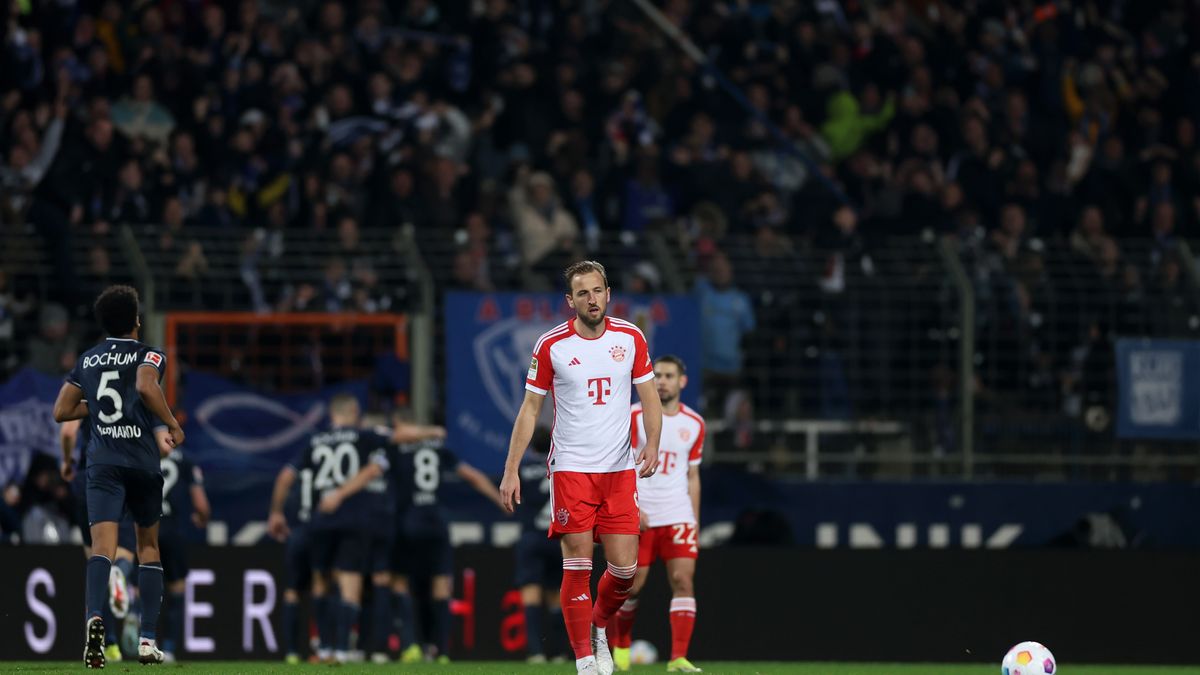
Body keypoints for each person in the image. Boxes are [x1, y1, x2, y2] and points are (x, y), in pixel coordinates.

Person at [499, 260, 663, 675]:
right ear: (570, 301)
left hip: (620, 469)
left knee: (625, 571)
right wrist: (511, 468)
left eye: (598, 290)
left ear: (609, 294)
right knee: (577, 565)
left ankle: (598, 626)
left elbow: (649, 397)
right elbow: (530, 408)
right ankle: (585, 661)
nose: (592, 299)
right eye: (583, 293)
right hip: (572, 469)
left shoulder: (631, 337)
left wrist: (653, 443)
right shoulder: (551, 345)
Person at [52, 284, 185, 668]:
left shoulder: (88, 359)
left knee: (101, 550)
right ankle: (146, 640)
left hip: (103, 463)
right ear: (136, 321)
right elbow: (145, 385)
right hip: (141, 462)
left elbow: (61, 412)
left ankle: (95, 618)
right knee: (147, 548)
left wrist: (94, 405)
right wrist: (171, 422)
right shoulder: (149, 354)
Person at [338, 413, 503, 664]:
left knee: (398, 582)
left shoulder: (395, 446)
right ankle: (441, 651)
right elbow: (471, 475)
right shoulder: (437, 446)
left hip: (406, 522)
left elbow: (371, 471)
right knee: (440, 584)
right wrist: (498, 499)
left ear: (399, 423)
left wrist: (339, 494)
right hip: (436, 523)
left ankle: (410, 645)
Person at [270, 394, 392, 664]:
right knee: (349, 581)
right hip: (352, 517)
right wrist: (432, 432)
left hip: (320, 519)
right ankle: (342, 649)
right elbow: (378, 464)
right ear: (353, 411)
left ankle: (324, 647)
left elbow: (285, 476)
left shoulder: (315, 440)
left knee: (321, 581)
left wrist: (276, 512)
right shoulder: (363, 436)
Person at [610, 355, 705, 673]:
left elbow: (693, 476)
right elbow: (618, 464)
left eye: (668, 376)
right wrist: (630, 507)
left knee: (682, 580)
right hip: (641, 512)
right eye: (657, 376)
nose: (662, 381)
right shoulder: (633, 416)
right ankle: (622, 644)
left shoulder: (695, 424)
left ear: (682, 381)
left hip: (678, 514)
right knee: (632, 585)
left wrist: (694, 521)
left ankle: (678, 658)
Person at [60, 417, 141, 664]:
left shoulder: (85, 393)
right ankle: (121, 573)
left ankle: (110, 643)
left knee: (97, 562)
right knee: (124, 554)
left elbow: (68, 432)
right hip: (119, 476)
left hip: (87, 478)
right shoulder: (134, 396)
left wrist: (67, 461)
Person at [267, 444, 332, 663]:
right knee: (321, 585)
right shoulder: (330, 464)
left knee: (292, 591)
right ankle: (321, 647)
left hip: (298, 532)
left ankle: (292, 652)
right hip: (321, 530)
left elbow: (284, 478)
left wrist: (276, 512)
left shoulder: (300, 463)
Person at [514, 435, 569, 663]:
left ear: (532, 447)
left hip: (531, 537)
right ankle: (559, 652)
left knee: (531, 594)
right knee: (557, 597)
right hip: (557, 538)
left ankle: (535, 652)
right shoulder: (562, 465)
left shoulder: (523, 467)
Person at [158, 447, 210, 662]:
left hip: (146, 525)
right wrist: (202, 516)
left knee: (143, 582)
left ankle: (143, 636)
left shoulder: (144, 452)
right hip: (173, 530)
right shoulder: (186, 460)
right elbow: (201, 504)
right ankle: (169, 648)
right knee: (177, 587)